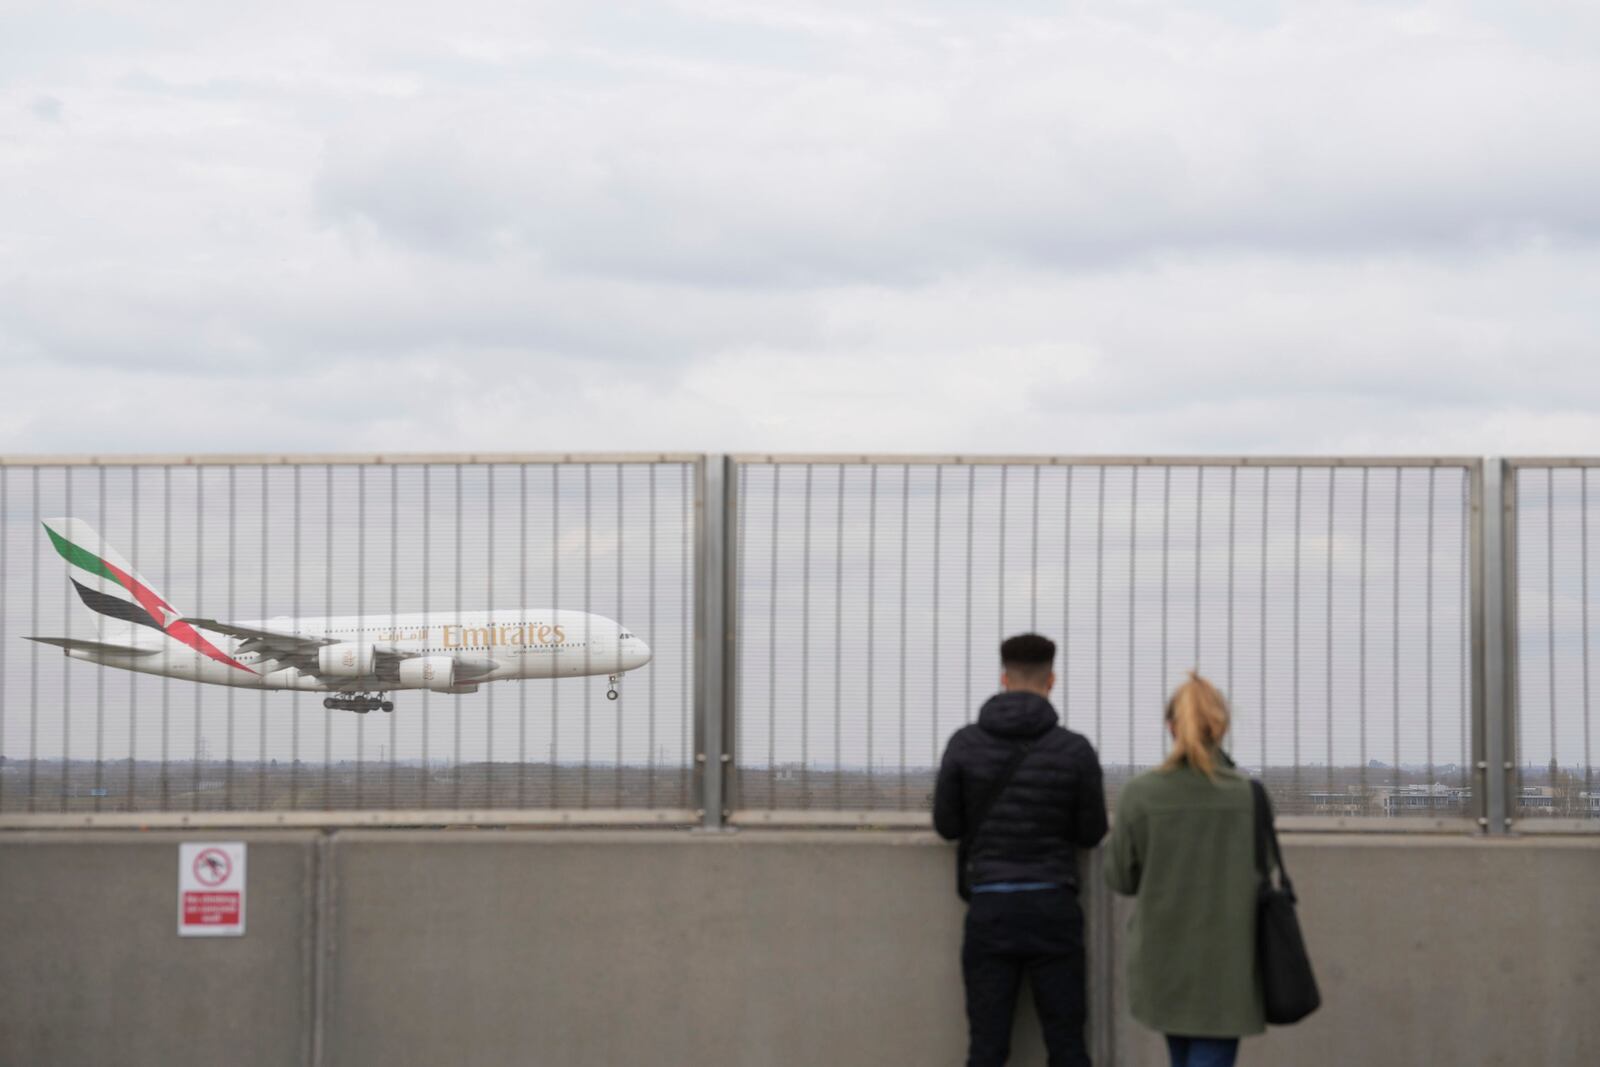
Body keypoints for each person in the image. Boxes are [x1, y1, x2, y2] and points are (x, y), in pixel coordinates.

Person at [934, 633, 1109, 1067]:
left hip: (990, 906)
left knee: (988, 1048)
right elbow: (1092, 832)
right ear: (1052, 681)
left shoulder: (965, 745)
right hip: (1053, 905)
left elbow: (947, 825)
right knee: (1067, 1045)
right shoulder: (1074, 750)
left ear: (1003, 678)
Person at [1103, 672, 1265, 1067]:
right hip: (1231, 962)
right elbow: (1265, 873)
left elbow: (1121, 878)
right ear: (1221, 726)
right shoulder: (1250, 796)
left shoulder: (1140, 794)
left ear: (1170, 726)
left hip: (1164, 960)